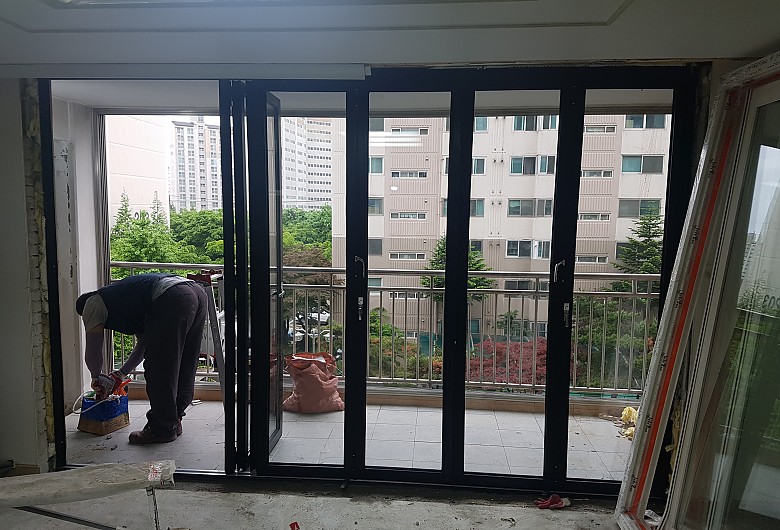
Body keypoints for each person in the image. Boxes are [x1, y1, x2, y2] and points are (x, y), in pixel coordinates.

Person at [75, 272, 207, 445]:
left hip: (172, 297)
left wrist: (95, 377)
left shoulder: (91, 303)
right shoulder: (127, 300)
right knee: (185, 363)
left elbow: (93, 349)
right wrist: (120, 374)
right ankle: (174, 420)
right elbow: (144, 345)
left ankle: (161, 429)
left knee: (159, 368)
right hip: (195, 293)